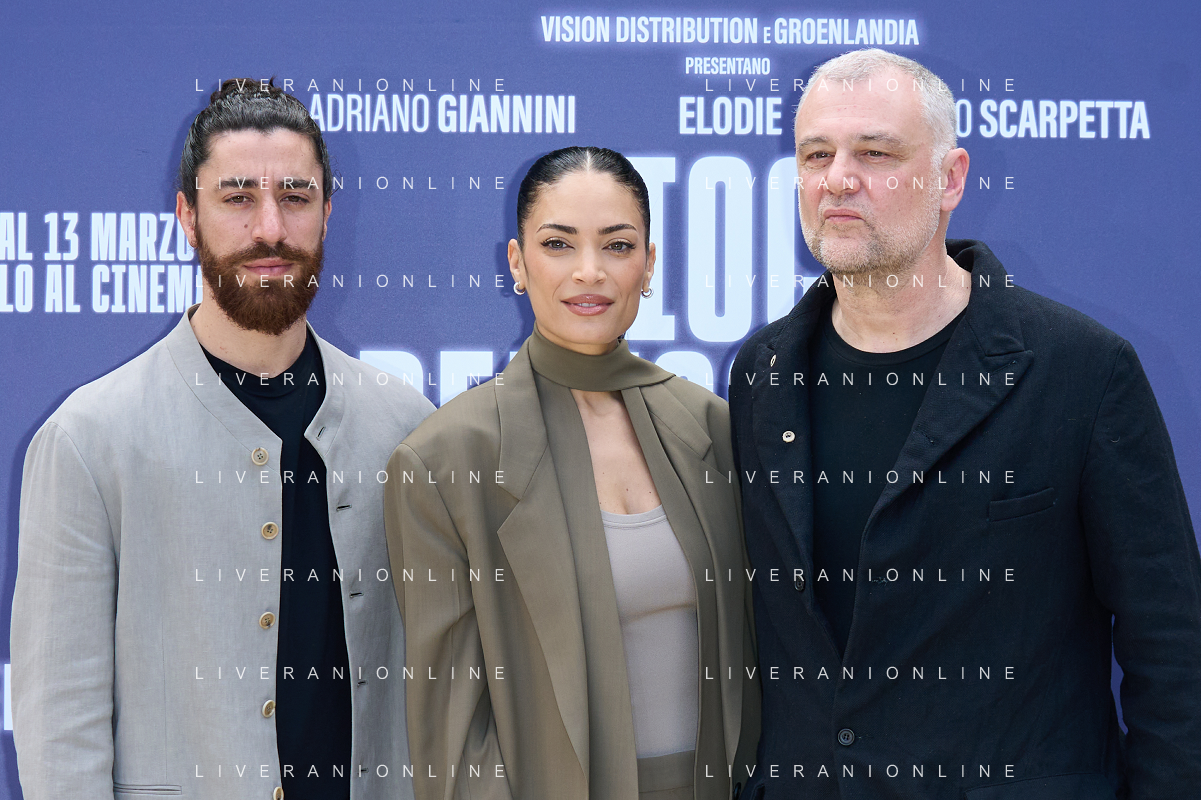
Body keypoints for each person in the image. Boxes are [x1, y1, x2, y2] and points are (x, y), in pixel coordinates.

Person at [729, 49, 1201, 799]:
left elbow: (1173, 646)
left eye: (875, 153)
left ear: (949, 179)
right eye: (816, 154)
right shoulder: (762, 371)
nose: (838, 178)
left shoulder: (1081, 370)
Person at [11, 78, 433, 800]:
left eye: (295, 197)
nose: (270, 227)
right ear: (187, 216)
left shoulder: (406, 427)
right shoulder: (89, 438)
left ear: (327, 213)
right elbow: (60, 731)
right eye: (237, 198)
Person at [385, 146, 760, 800]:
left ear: (649, 264)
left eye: (617, 246)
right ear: (516, 262)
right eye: (558, 244)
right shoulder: (443, 463)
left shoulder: (716, 428)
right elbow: (454, 744)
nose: (590, 271)